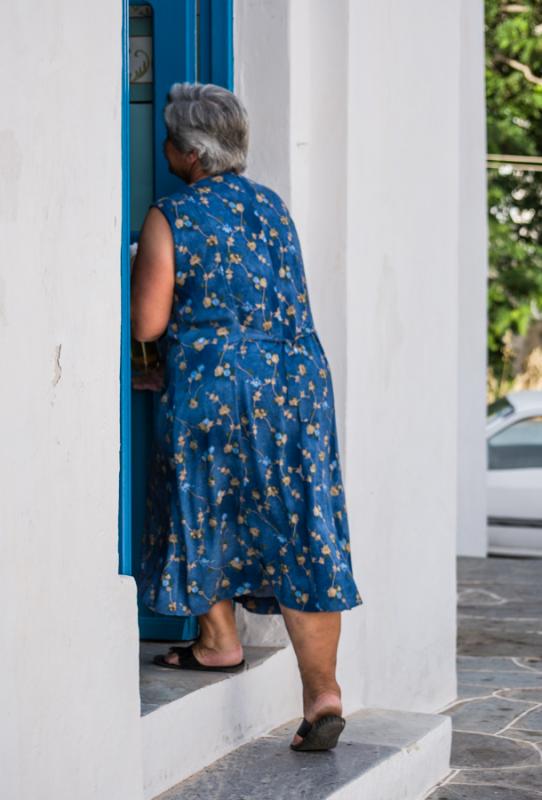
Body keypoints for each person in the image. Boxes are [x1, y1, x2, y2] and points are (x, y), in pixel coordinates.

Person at [131, 82, 363, 751]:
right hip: (296, 383)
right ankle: (322, 693)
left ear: (187, 152)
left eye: (171, 139)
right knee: (302, 525)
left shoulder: (172, 214)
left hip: (215, 385)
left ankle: (219, 638)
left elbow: (150, 319)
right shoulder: (272, 209)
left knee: (203, 502)